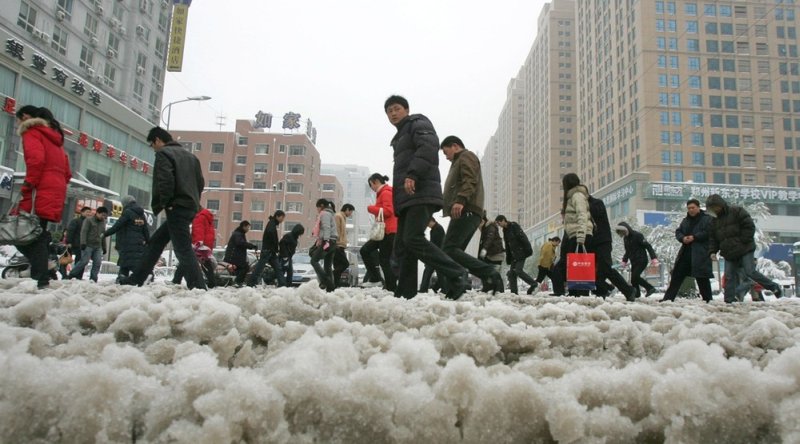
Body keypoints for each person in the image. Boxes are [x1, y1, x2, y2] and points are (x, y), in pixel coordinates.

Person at [384, 95, 467, 299]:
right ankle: (406, 293)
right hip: (407, 197)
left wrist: (413, 174)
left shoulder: (418, 123)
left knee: (412, 238)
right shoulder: (401, 135)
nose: (393, 114)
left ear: (406, 109)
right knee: (404, 246)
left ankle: (457, 273)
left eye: (396, 109)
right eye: (389, 111)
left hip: (421, 191)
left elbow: (428, 148)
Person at [120, 127, 207, 290]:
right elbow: (200, 183)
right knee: (156, 242)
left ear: (158, 140)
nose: (154, 148)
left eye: (152, 145)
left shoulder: (164, 154)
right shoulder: (192, 157)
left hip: (176, 206)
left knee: (182, 248)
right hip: (189, 206)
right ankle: (136, 278)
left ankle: (198, 286)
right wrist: (194, 201)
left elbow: (165, 179)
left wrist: (167, 202)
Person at [14, 105, 72, 289]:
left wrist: (28, 184)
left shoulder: (32, 132)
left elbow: (35, 161)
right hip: (56, 190)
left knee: (21, 234)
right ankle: (43, 268)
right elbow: (68, 173)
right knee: (39, 232)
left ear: (24, 117)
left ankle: (41, 274)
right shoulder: (57, 142)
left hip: (39, 190)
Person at [556, 173, 637, 300]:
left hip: (602, 240)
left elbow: (587, 219)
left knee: (604, 268)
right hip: (592, 240)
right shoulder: (577, 202)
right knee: (590, 269)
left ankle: (625, 290)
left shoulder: (594, 203)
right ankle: (602, 291)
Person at [439, 136, 503, 294]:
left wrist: (460, 200)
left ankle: (489, 272)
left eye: (446, 153)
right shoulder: (458, 160)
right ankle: (456, 287)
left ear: (455, 146)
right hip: (464, 210)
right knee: (453, 253)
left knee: (449, 249)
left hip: (466, 209)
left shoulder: (466, 156)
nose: (446, 157)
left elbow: (470, 180)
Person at [706, 194, 783, 303]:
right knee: (728, 276)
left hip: (744, 248)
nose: (715, 210)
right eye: (712, 208)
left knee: (750, 271)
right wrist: (712, 251)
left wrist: (741, 241)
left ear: (721, 204)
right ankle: (729, 300)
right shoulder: (713, 221)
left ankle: (774, 287)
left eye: (716, 206)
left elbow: (749, 226)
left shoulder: (736, 211)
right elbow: (713, 239)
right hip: (729, 252)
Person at [661, 199, 714, 302]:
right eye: (689, 208)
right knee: (677, 275)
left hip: (700, 253)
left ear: (698, 207)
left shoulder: (707, 219)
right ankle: (668, 298)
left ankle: (708, 299)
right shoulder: (686, 220)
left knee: (702, 277)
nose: (691, 210)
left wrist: (695, 237)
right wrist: (682, 238)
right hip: (686, 252)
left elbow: (709, 232)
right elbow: (678, 231)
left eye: (693, 208)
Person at [360, 174, 398, 291]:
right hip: (383, 231)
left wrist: (371, 208)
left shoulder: (386, 193)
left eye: (371, 186)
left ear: (375, 181)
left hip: (388, 231)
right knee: (366, 251)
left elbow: (388, 211)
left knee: (384, 260)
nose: (372, 188)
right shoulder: (383, 193)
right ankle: (379, 279)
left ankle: (390, 286)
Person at [103, 196, 149, 283]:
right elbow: (145, 229)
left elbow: (117, 225)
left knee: (129, 262)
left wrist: (105, 234)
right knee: (128, 262)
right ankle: (121, 278)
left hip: (127, 243)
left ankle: (142, 277)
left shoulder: (127, 212)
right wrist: (148, 241)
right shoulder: (141, 214)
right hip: (138, 243)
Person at [172, 206, 217, 287]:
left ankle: (176, 280)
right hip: (207, 244)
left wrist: (197, 243)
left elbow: (198, 230)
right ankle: (212, 283)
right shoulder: (207, 217)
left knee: (186, 259)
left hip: (199, 244)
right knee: (206, 264)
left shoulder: (199, 217)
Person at [615, 222, 658, 297]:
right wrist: (624, 261)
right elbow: (627, 251)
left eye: (622, 231)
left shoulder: (637, 235)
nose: (621, 234)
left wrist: (653, 258)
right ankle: (637, 294)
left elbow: (648, 246)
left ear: (626, 229)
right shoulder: (626, 239)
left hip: (642, 260)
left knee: (635, 276)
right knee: (633, 279)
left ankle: (650, 288)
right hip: (634, 261)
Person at [495, 215, 536, 295]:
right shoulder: (505, 230)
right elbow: (507, 245)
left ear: (503, 220)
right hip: (514, 255)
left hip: (521, 252)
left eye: (499, 223)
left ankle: (534, 284)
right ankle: (514, 293)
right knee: (511, 274)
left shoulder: (514, 226)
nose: (499, 225)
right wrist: (508, 257)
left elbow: (523, 237)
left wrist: (528, 249)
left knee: (518, 271)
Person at [67, 206, 108, 282]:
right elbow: (84, 232)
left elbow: (103, 235)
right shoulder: (89, 220)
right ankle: (72, 274)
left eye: (105, 215)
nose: (103, 217)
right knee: (84, 261)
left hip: (97, 246)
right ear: (97, 213)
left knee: (97, 262)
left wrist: (104, 247)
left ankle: (93, 279)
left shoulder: (103, 222)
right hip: (88, 245)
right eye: (102, 215)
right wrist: (83, 243)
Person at [249, 210, 286, 287]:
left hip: (270, 251)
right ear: (277, 216)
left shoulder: (272, 223)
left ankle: (282, 284)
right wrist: (274, 245)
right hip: (268, 250)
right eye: (282, 217)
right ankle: (251, 282)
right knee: (260, 267)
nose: (283, 219)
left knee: (277, 267)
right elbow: (271, 234)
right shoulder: (271, 224)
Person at [310, 199, 337, 292]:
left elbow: (326, 227)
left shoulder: (325, 214)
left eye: (317, 207)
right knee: (328, 266)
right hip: (333, 241)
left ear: (321, 206)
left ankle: (326, 281)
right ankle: (331, 289)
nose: (317, 210)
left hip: (328, 241)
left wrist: (326, 240)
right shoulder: (331, 213)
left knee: (314, 261)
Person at [223, 221, 258, 286]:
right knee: (245, 267)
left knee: (241, 268)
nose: (248, 229)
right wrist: (251, 246)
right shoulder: (238, 234)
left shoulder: (239, 233)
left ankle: (237, 281)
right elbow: (240, 243)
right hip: (233, 256)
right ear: (244, 226)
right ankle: (237, 282)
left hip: (235, 256)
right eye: (247, 227)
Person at [419, 217, 446, 293]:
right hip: (436, 255)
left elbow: (436, 244)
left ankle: (424, 289)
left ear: (432, 221)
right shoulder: (434, 229)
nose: (427, 225)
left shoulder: (438, 229)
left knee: (430, 272)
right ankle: (443, 289)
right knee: (437, 273)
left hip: (436, 255)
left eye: (428, 223)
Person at [64, 206, 92, 279]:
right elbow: (70, 231)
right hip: (77, 244)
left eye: (90, 212)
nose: (89, 214)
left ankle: (78, 276)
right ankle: (74, 275)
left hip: (85, 245)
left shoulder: (90, 222)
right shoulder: (76, 221)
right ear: (82, 212)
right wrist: (69, 242)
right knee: (80, 260)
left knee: (82, 261)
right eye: (87, 212)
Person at [333, 204, 355, 287]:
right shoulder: (338, 216)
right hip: (338, 245)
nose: (351, 214)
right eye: (351, 211)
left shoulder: (342, 217)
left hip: (341, 245)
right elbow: (337, 231)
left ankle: (334, 285)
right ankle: (328, 278)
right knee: (345, 264)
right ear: (347, 209)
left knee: (338, 266)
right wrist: (337, 243)